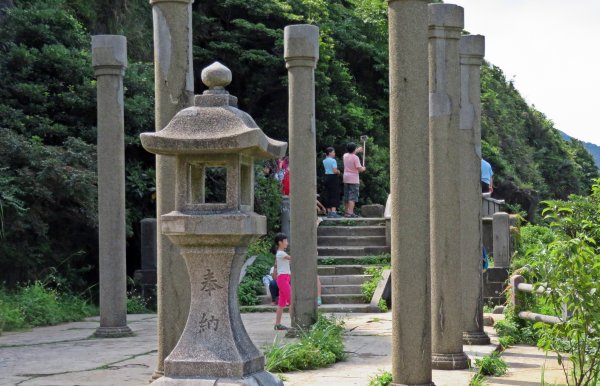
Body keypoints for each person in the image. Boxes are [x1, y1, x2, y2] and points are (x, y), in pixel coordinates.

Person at [272, 233, 292, 330]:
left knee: (281, 303)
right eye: (286, 241)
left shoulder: (280, 254)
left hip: (284, 278)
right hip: (283, 279)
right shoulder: (281, 253)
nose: (287, 243)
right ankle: (295, 323)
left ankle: (277, 324)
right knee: (292, 300)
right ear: (280, 242)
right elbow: (294, 259)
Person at [343, 142, 366, 218]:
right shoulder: (355, 158)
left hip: (346, 178)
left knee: (346, 195)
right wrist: (363, 168)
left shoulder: (345, 155)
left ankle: (346, 212)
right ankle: (351, 212)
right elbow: (359, 169)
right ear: (354, 149)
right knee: (352, 196)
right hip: (353, 178)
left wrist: (357, 150)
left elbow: (351, 154)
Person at [322, 147, 341, 218]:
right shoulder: (333, 160)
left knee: (328, 193)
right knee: (334, 193)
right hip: (333, 177)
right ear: (329, 153)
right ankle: (333, 211)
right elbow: (335, 170)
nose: (334, 153)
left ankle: (329, 211)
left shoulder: (324, 160)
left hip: (326, 177)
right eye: (333, 152)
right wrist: (339, 171)